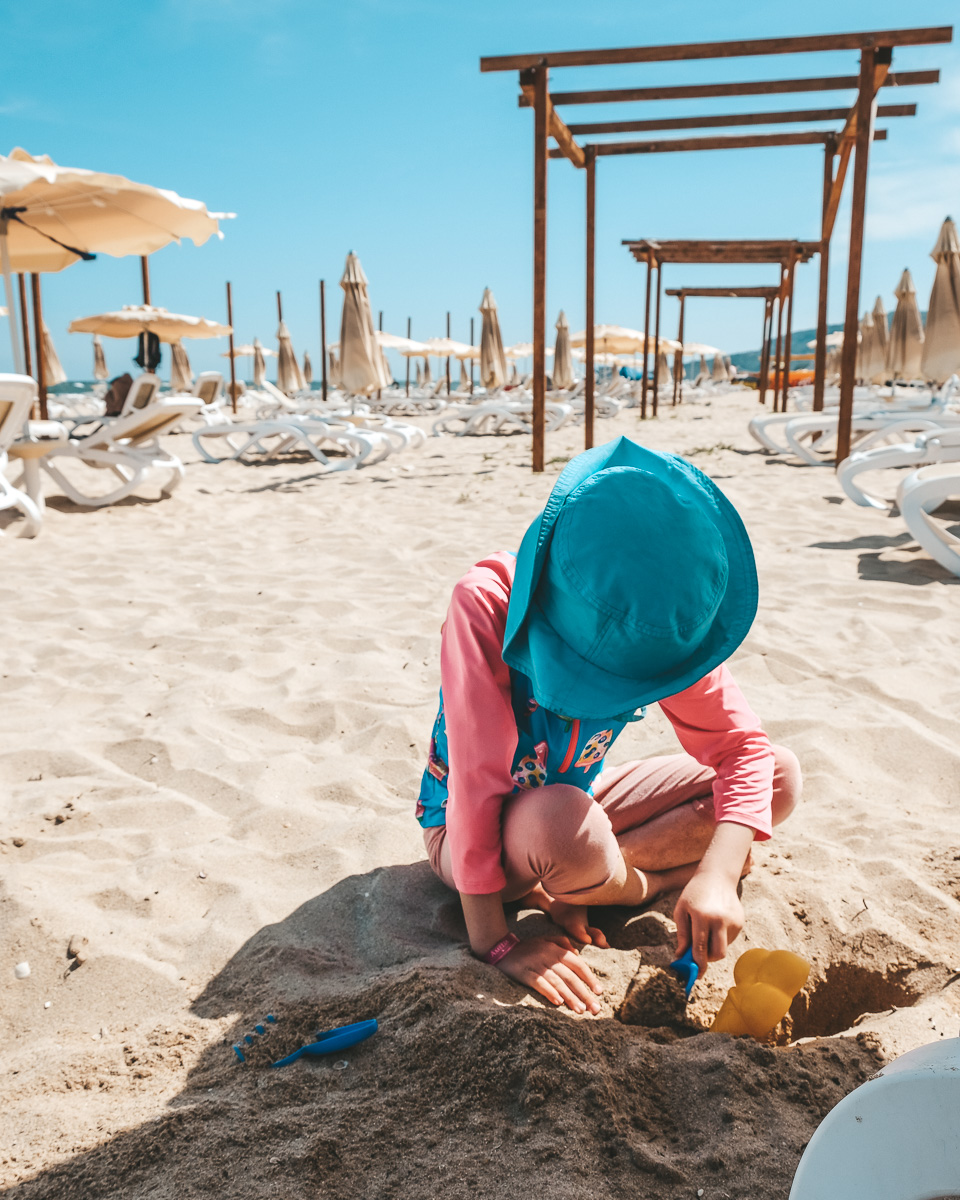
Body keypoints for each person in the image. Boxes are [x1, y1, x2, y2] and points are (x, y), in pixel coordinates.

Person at [417, 437, 800, 1014]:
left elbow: (744, 750)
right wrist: (494, 942)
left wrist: (718, 875)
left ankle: (585, 882)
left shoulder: (659, 617)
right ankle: (630, 885)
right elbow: (476, 782)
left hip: (578, 797)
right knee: (556, 825)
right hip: (477, 831)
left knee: (780, 778)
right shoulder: (484, 606)